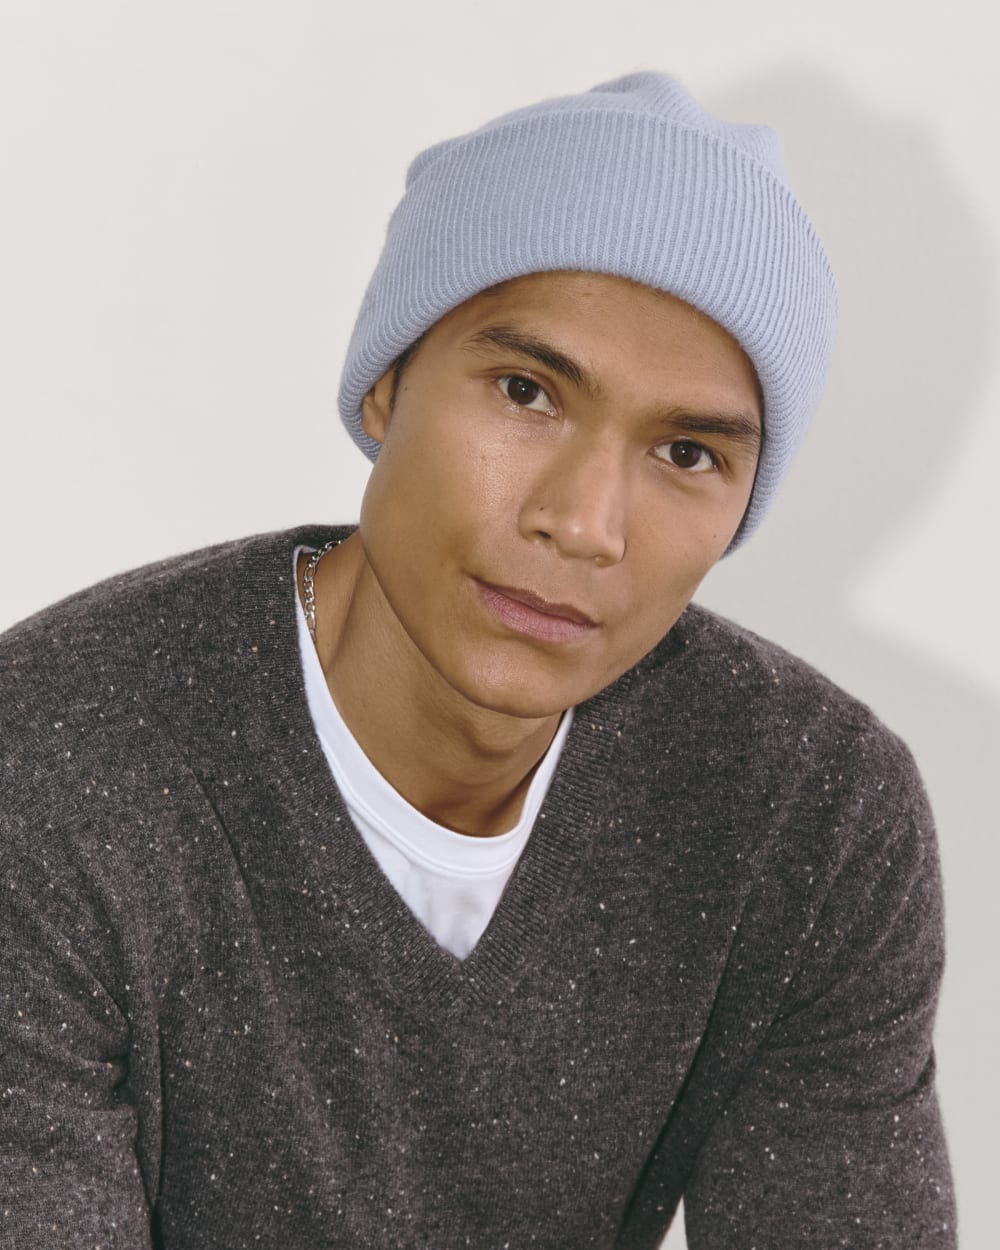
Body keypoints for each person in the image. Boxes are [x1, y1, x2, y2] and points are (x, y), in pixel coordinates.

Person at [0, 72, 955, 1249]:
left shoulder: (811, 816)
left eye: (686, 453)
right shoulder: (53, 766)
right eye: (525, 391)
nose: (583, 522)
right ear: (385, 384)